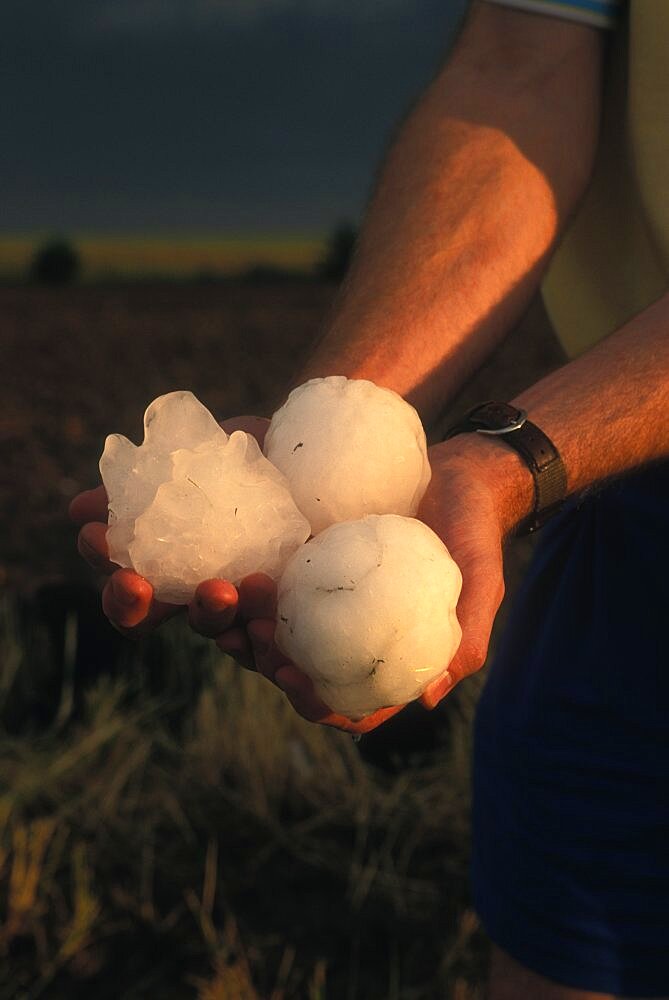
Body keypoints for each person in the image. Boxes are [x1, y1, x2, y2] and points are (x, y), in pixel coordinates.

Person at [70, 0, 669, 996]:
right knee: (571, 937)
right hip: (621, 502)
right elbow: (522, 74)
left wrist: (516, 452)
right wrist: (336, 429)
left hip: (585, 441)